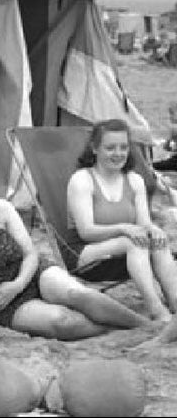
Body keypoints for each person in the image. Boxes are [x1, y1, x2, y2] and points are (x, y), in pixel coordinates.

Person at [0, 152, 150, 339]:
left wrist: (18, 283)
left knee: (79, 295)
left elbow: (30, 253)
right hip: (6, 303)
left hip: (33, 273)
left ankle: (145, 327)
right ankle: (115, 330)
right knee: (62, 321)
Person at [67, 118, 177, 321]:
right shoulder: (82, 180)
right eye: (110, 148)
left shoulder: (134, 181)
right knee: (133, 241)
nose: (118, 154)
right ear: (94, 148)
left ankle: (175, 301)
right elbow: (86, 231)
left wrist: (154, 230)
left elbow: (144, 223)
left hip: (126, 252)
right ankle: (156, 308)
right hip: (84, 255)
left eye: (123, 147)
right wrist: (124, 228)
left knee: (158, 241)